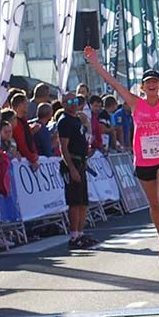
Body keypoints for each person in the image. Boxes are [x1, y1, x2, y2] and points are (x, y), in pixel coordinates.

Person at [85, 39, 159, 264]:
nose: (151, 85)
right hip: (144, 161)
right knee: (154, 205)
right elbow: (111, 82)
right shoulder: (134, 103)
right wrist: (94, 63)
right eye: (147, 82)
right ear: (142, 86)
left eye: (155, 82)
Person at [58, 92, 97, 249]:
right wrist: (71, 168)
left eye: (75, 100)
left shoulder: (77, 120)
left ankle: (80, 233)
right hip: (72, 163)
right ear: (63, 104)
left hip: (81, 162)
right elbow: (64, 148)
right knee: (74, 202)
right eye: (69, 101)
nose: (73, 103)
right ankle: (74, 236)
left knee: (83, 202)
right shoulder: (65, 121)